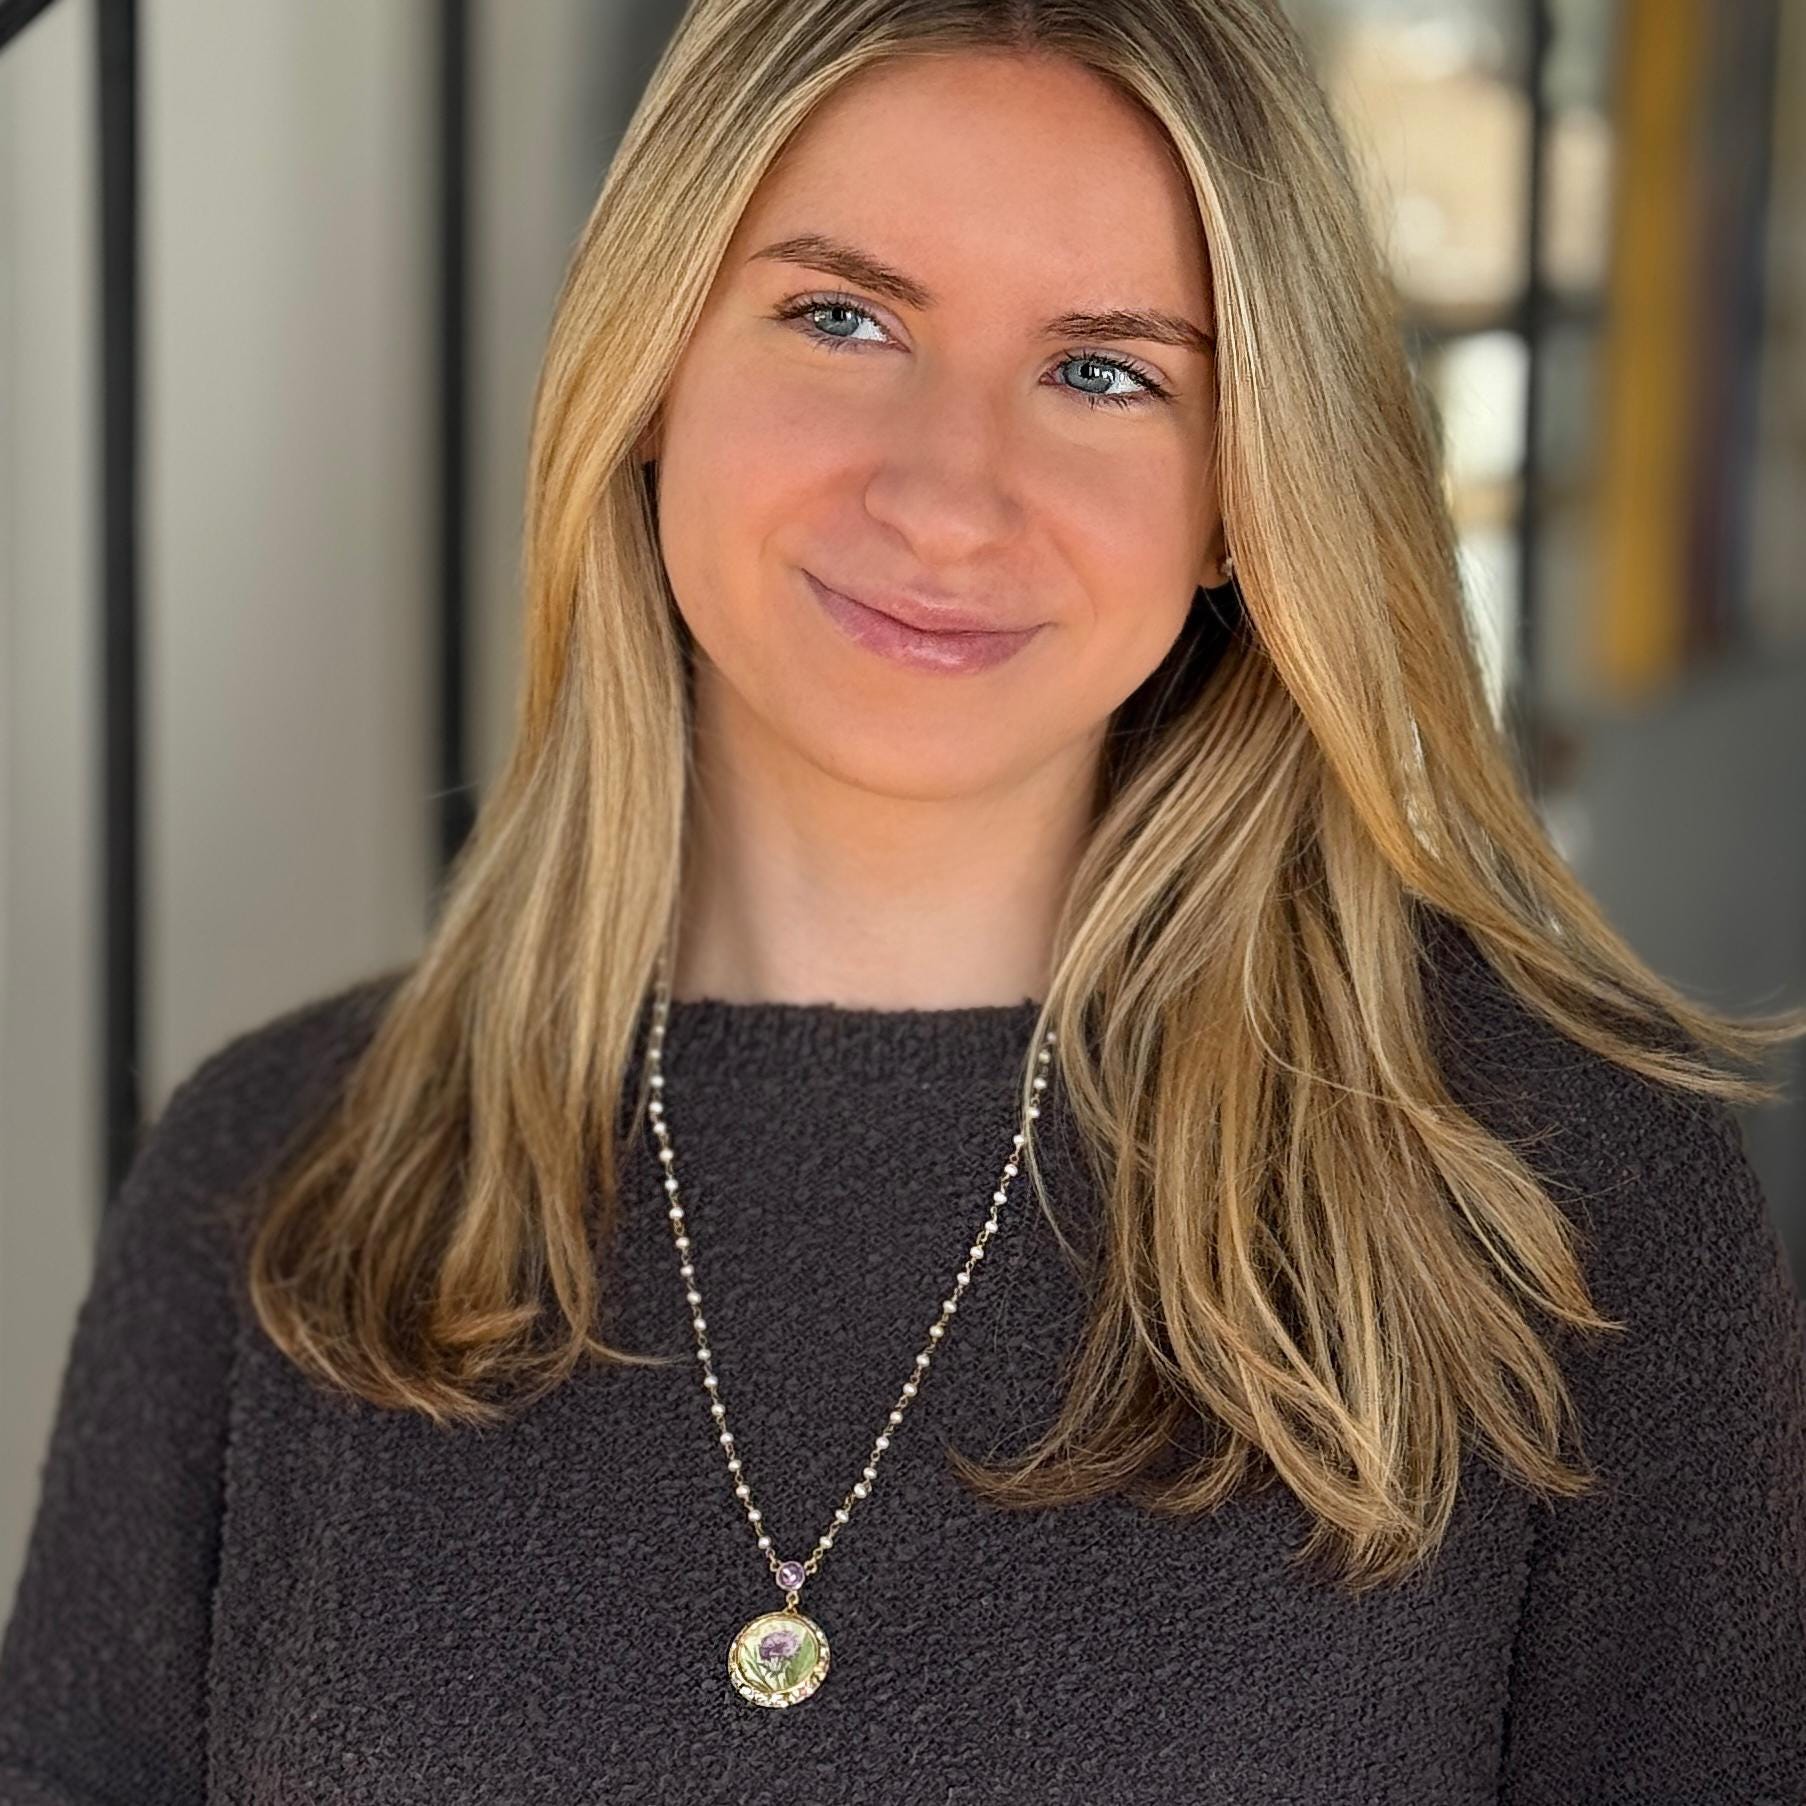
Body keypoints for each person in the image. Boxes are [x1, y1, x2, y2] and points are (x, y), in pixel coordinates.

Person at [4, 1, 1805, 1799]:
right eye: (840, 316)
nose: (948, 495)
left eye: (1105, 370)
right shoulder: (278, 1173)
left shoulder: (1559, 1198)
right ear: (649, 372)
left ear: (1241, 498)